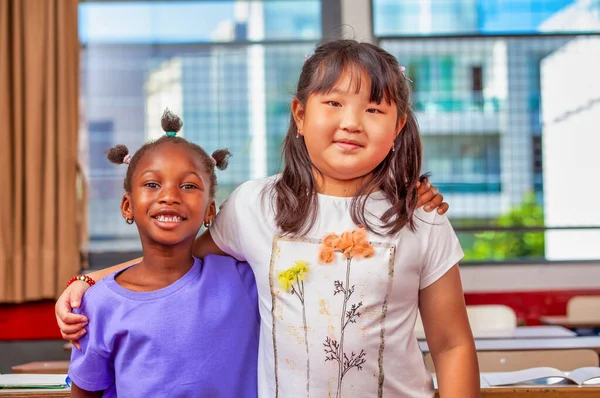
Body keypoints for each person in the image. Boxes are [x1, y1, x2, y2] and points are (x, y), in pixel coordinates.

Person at [58, 40, 476, 397]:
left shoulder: (421, 216)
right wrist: (90, 280)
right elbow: (175, 260)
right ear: (299, 115)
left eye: (373, 109)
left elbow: (452, 345)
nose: (351, 122)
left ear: (398, 125)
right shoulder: (256, 204)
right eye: (333, 103)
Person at [68, 110, 259, 398]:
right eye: (152, 184)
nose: (169, 195)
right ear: (127, 206)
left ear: (210, 210)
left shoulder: (244, 280)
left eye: (188, 186)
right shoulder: (99, 304)